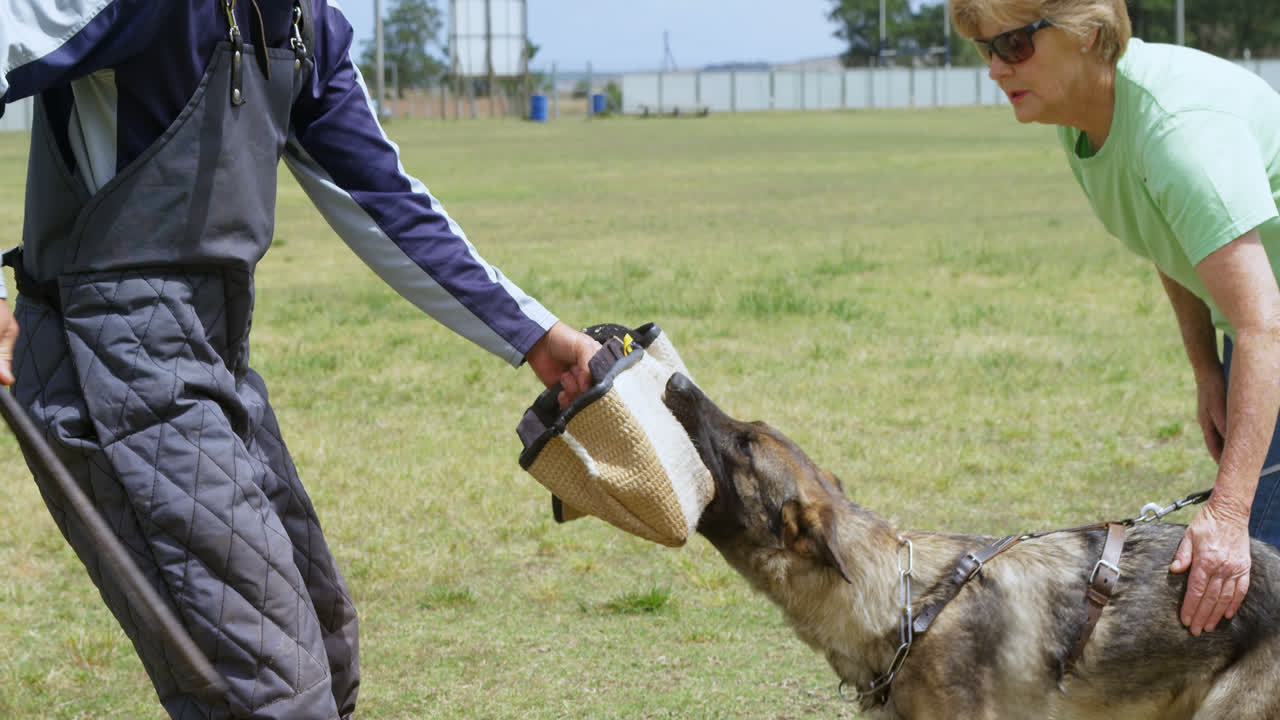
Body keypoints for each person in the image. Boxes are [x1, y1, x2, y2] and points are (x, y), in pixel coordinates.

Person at [0, 2, 599, 718]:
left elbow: (386, 200)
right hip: (99, 359)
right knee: (270, 688)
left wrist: (535, 334)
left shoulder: (306, 25)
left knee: (327, 646)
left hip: (209, 349)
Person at [950, 0, 1280, 639]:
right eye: (984, 47)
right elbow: (1169, 238)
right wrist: (1206, 369)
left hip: (1270, 328)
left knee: (1254, 582)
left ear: (1088, 34)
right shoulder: (1082, 118)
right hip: (1263, 327)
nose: (995, 67)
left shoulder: (1176, 131)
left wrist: (1230, 511)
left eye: (1014, 44)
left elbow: (1264, 322)